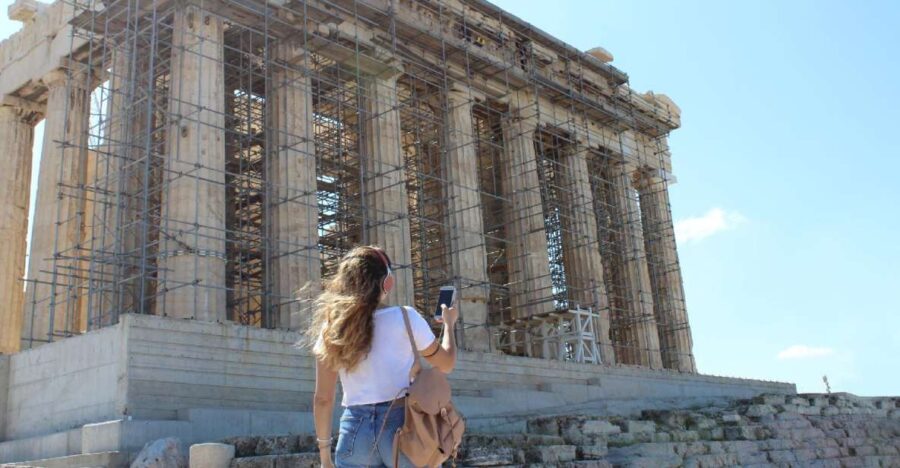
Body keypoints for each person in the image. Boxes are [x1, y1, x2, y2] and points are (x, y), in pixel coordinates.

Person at [307, 246, 459, 468]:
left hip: (354, 432)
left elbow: (323, 399)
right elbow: (446, 364)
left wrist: (324, 457)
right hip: (402, 427)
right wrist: (449, 325)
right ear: (387, 282)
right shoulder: (406, 317)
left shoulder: (332, 330)